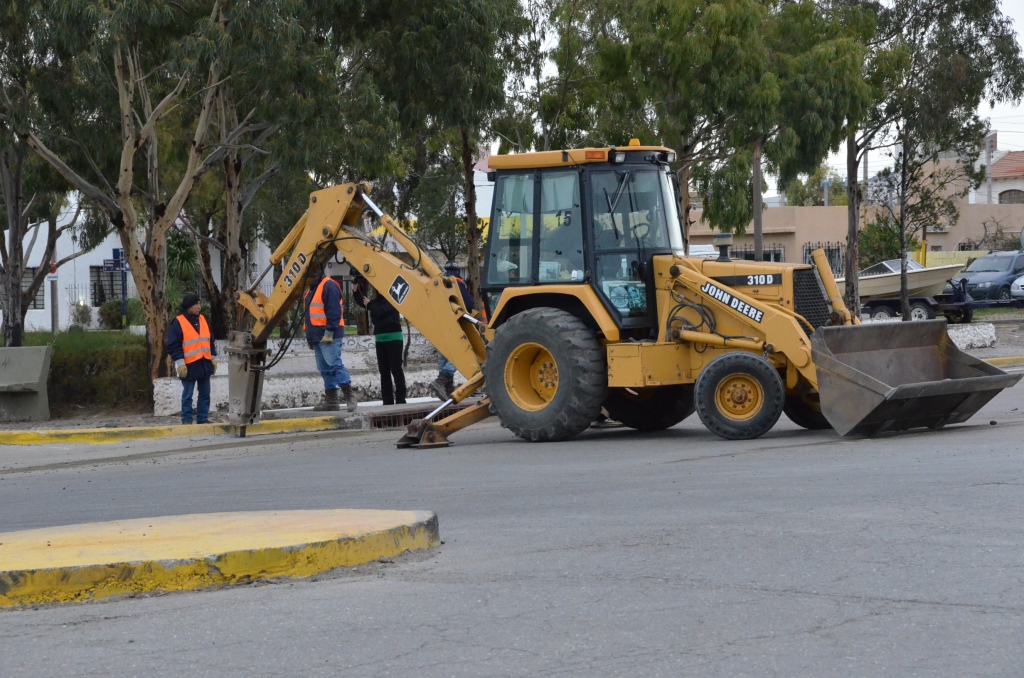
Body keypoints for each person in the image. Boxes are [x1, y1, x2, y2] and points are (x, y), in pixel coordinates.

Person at [303, 269, 357, 412]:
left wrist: (329, 332)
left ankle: (349, 395)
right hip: (317, 335)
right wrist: (310, 336)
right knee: (325, 369)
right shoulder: (312, 289)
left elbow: (334, 311)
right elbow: (311, 315)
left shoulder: (329, 285)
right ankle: (331, 400)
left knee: (334, 365)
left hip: (328, 334)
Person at [166, 294, 217, 425]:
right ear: (189, 306)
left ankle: (202, 418)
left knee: (205, 394)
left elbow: (210, 340)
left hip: (204, 362)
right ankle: (187, 419)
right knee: (188, 395)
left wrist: (213, 358)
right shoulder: (179, 321)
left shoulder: (203, 319)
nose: (199, 307)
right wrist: (180, 363)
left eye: (199, 304)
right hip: (189, 364)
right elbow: (173, 345)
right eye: (196, 304)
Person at [356, 279, 407, 406]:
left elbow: (380, 311)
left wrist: (370, 305)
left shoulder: (392, 299)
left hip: (394, 338)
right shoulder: (376, 302)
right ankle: (387, 400)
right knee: (384, 371)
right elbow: (363, 302)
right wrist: (356, 289)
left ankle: (400, 399)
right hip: (380, 338)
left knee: (396, 369)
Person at [430, 261, 473, 400]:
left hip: (438, 324)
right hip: (455, 324)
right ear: (458, 272)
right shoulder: (458, 284)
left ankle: (448, 389)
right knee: (458, 354)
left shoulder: (438, 284)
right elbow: (468, 304)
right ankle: (443, 379)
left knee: (444, 355)